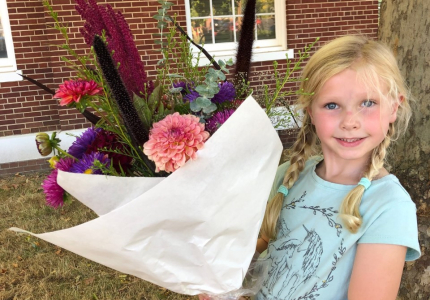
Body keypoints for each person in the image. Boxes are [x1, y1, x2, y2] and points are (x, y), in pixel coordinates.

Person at [199, 35, 421, 300]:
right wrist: (219, 276)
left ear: (394, 107)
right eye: (332, 105)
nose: (350, 121)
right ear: (310, 110)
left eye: (368, 103)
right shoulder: (288, 176)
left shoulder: (389, 206)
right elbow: (272, 248)